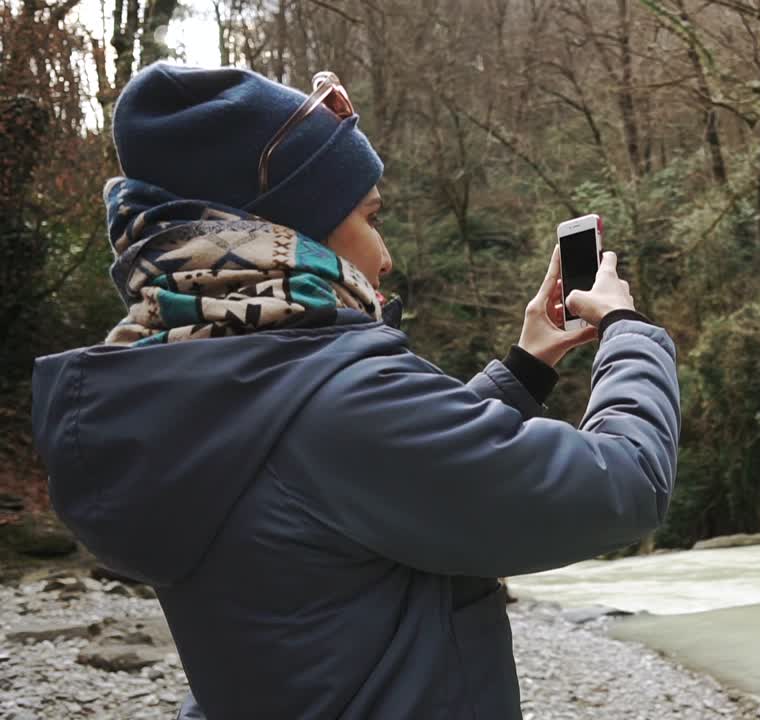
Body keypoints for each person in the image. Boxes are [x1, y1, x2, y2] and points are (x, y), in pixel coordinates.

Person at [30, 63, 680, 719]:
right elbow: (625, 485)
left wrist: (527, 366)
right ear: (289, 230)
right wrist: (629, 331)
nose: (385, 254)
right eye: (370, 217)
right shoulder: (334, 400)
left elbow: (371, 477)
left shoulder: (188, 384)